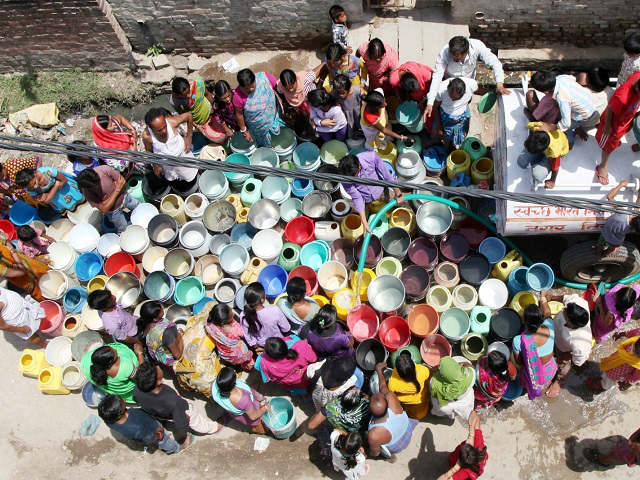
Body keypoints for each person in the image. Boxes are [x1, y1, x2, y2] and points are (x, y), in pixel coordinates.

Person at [134, 363, 221, 450]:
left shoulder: (137, 390)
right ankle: (212, 428)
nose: (158, 366)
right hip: (181, 411)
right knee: (196, 421)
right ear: (158, 381)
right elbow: (181, 424)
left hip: (160, 413)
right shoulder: (173, 402)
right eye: (156, 368)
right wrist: (183, 434)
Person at [426, 36, 509, 118]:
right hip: (451, 82)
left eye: (457, 59)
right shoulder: (445, 53)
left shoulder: (477, 46)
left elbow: (494, 62)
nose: (453, 59)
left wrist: (500, 83)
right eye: (452, 58)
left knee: (465, 101)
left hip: (468, 81)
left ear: (465, 53)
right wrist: (430, 102)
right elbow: (437, 76)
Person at [540, 290, 592, 397]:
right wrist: (551, 297)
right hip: (554, 332)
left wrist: (565, 356)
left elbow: (578, 362)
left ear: (571, 325)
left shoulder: (580, 344)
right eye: (565, 309)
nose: (563, 309)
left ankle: (559, 382)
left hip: (565, 349)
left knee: (564, 367)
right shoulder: (579, 303)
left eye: (565, 313)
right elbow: (565, 298)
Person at [338, 151, 403, 233]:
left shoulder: (371, 157)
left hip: (382, 190)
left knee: (400, 202)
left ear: (359, 167)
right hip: (365, 199)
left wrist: (398, 193)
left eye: (355, 176)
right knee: (364, 217)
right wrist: (364, 223)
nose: (356, 178)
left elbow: (387, 175)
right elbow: (357, 197)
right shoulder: (345, 177)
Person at [594, 72, 640, 185]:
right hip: (613, 125)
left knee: (615, 141)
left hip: (626, 119)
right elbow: (610, 108)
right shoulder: (622, 97)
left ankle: (614, 142)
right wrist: (608, 126)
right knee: (607, 146)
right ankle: (602, 166)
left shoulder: (638, 75)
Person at [528, 71, 599, 142]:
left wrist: (550, 127)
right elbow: (573, 79)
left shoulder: (562, 98)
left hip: (583, 116)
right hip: (591, 103)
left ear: (546, 92)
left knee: (564, 125)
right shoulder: (562, 78)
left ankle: (576, 128)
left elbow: (566, 123)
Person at [98, 394, 180, 454]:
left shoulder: (109, 419)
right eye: (121, 402)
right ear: (119, 414)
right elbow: (151, 437)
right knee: (165, 442)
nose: (124, 399)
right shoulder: (137, 429)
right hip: (155, 432)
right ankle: (175, 449)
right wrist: (159, 434)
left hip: (147, 423)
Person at [368, 362, 418, 461]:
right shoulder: (391, 398)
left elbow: (375, 452)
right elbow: (383, 387)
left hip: (398, 444)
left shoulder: (374, 434)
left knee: (379, 449)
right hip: (408, 429)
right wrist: (379, 371)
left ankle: (390, 457)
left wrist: (368, 453)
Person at [142, 108, 199, 192]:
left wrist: (189, 137)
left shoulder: (172, 122)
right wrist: (155, 166)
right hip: (167, 164)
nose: (164, 131)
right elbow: (149, 151)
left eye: (165, 126)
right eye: (159, 130)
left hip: (182, 156)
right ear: (151, 128)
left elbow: (189, 116)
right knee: (174, 178)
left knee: (189, 173)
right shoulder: (147, 136)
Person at [76, 165, 138, 233]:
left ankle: (130, 214)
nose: (98, 186)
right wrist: (117, 189)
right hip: (114, 212)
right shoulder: (86, 191)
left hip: (125, 199)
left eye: (98, 181)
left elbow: (123, 182)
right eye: (94, 186)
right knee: (124, 228)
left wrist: (106, 201)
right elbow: (104, 209)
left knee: (136, 208)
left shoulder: (104, 170)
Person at [512, 304, 557, 399]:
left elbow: (519, 362)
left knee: (512, 356)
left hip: (533, 376)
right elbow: (548, 313)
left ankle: (527, 387)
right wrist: (543, 299)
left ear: (524, 321)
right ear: (541, 319)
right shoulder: (550, 326)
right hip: (549, 372)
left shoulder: (518, 340)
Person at [233, 68, 285, 147]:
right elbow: (239, 114)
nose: (251, 89)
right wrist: (244, 131)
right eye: (247, 88)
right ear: (240, 87)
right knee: (266, 144)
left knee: (280, 135)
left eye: (252, 85)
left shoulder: (265, 78)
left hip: (273, 116)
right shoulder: (238, 97)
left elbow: (277, 88)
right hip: (258, 128)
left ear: (255, 79)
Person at [211, 367, 271, 434]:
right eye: (234, 373)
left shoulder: (215, 387)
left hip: (235, 413)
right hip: (248, 412)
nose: (235, 370)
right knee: (258, 425)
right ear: (234, 382)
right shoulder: (243, 399)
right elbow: (253, 416)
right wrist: (265, 408)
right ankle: (259, 430)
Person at [171, 76, 227, 144]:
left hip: (210, 112)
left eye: (188, 91)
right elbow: (184, 115)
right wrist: (197, 126)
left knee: (223, 133)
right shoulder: (175, 101)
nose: (188, 96)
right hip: (199, 122)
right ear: (177, 95)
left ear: (189, 85)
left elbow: (207, 94)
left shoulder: (198, 84)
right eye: (184, 95)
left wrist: (214, 109)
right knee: (210, 138)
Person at [239, 282, 290, 352]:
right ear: (262, 299)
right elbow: (286, 328)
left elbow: (249, 337)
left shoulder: (243, 315)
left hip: (263, 344)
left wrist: (255, 346)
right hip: (278, 343)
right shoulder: (274, 310)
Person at [518, 121, 570, 189]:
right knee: (521, 162)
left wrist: (552, 180)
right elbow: (529, 125)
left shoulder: (554, 151)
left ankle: (536, 179)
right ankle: (536, 161)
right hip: (543, 148)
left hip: (556, 154)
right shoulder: (539, 126)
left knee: (538, 175)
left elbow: (556, 167)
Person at [438, 411, 488, 480]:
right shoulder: (479, 445)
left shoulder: (462, 474)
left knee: (451, 461)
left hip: (456, 465)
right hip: (473, 468)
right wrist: (471, 434)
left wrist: (455, 468)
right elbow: (474, 414)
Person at [0, 233, 49, 301]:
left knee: (46, 273)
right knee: (44, 292)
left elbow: (5, 240)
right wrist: (20, 265)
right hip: (24, 279)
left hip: (27, 262)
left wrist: (15, 256)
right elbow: (18, 273)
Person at [205, 302, 254, 371]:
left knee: (234, 360)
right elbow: (246, 336)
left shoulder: (208, 323)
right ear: (224, 322)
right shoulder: (235, 330)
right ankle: (247, 365)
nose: (233, 313)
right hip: (237, 354)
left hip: (224, 354)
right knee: (247, 356)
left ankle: (238, 365)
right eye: (231, 316)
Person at [432, 77, 478, 149]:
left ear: (464, 93)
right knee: (445, 135)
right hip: (446, 116)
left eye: (456, 99)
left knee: (460, 134)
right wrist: (439, 126)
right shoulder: (441, 90)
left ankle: (455, 143)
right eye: (451, 96)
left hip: (462, 115)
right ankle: (447, 144)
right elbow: (435, 107)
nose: (452, 99)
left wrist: (465, 104)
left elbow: (471, 97)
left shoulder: (472, 85)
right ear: (448, 89)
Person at [15, 166, 83, 213]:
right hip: (59, 200)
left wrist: (48, 194)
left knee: (80, 199)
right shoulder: (29, 189)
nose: (35, 187)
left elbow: (64, 180)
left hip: (67, 190)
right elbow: (46, 200)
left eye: (35, 183)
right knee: (73, 210)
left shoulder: (47, 171)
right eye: (32, 187)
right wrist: (56, 185)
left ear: (35, 174)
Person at [598, 179, 640, 254]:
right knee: (611, 249)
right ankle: (605, 254)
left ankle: (598, 251)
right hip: (616, 241)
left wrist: (621, 185)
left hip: (605, 234)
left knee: (600, 244)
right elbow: (636, 206)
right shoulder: (632, 229)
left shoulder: (623, 213)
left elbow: (610, 197)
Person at [430, 356, 476, 420]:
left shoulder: (437, 384)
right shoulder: (471, 374)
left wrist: (432, 371)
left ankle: (435, 413)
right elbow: (469, 365)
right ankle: (452, 416)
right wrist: (460, 364)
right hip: (465, 398)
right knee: (458, 412)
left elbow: (434, 387)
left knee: (440, 409)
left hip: (446, 405)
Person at [387, 351, 430, 420]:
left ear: (399, 372)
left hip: (409, 404)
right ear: (412, 364)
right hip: (422, 399)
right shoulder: (423, 370)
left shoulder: (392, 383)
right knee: (422, 409)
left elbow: (391, 392)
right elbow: (428, 376)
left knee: (413, 413)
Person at [139, 301, 183, 368]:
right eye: (160, 309)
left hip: (158, 352)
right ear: (155, 319)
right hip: (169, 359)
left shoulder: (146, 324)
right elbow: (178, 355)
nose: (162, 307)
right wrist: (180, 336)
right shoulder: (167, 332)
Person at [333, 74, 362, 139]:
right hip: (346, 116)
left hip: (357, 114)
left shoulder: (357, 91)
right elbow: (331, 98)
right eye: (338, 93)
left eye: (343, 93)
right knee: (349, 132)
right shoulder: (335, 93)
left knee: (360, 127)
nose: (340, 95)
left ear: (349, 88)